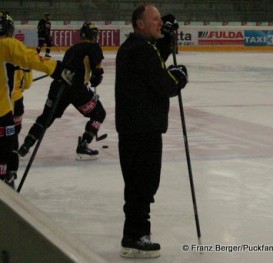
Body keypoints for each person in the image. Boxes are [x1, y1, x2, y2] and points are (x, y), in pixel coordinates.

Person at [115, 4, 188, 258]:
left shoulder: (136, 48)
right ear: (140, 24)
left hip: (136, 128)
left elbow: (155, 59)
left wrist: (166, 36)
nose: (159, 22)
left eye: (161, 20)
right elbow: (161, 83)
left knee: (139, 183)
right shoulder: (139, 50)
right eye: (155, 19)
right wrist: (178, 78)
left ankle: (134, 234)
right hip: (142, 129)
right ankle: (135, 236)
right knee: (142, 183)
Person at [0, 12, 73, 189]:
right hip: (2, 112)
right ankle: (6, 184)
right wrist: (56, 68)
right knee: (6, 151)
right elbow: (30, 59)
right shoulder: (6, 45)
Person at [19, 21, 106, 161]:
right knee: (99, 113)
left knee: (45, 118)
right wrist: (97, 78)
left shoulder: (72, 49)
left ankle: (26, 145)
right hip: (77, 89)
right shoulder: (94, 47)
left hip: (58, 87)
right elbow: (97, 70)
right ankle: (84, 145)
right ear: (93, 35)